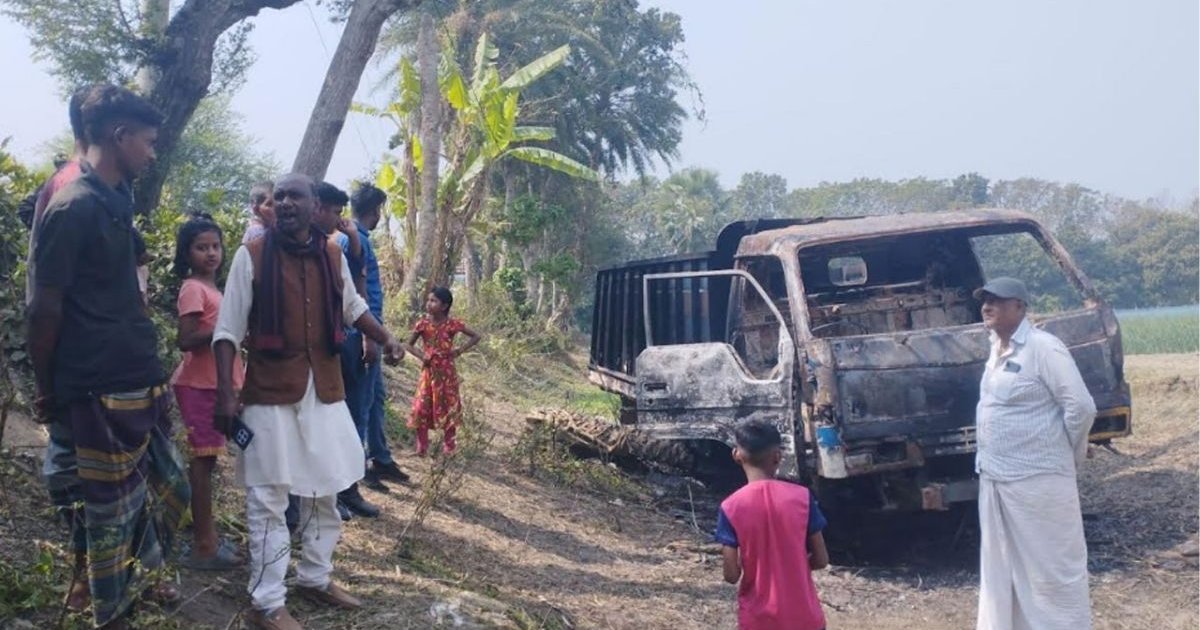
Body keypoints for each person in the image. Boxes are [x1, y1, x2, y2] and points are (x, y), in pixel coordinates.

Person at [213, 172, 406, 630]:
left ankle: (315, 577)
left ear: (314, 204)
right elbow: (227, 329)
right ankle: (267, 602)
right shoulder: (252, 254)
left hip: (324, 387)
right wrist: (226, 392)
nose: (285, 204)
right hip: (269, 391)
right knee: (268, 499)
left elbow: (353, 306)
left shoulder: (331, 252)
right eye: (279, 197)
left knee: (328, 486)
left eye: (294, 197)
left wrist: (387, 338)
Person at [28, 84, 190, 629]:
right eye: (147, 142)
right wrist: (49, 387)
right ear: (119, 137)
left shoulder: (114, 198)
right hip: (97, 386)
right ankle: (110, 613)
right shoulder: (72, 205)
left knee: (169, 491)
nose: (151, 152)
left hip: (136, 377)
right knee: (106, 517)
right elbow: (43, 307)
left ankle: (135, 582)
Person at [973, 277, 1097, 630]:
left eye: (997, 300)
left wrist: (1066, 453)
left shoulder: (1044, 348)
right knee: (1005, 569)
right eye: (985, 300)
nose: (987, 307)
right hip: (997, 478)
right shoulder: (995, 348)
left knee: (1052, 573)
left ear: (1020, 308)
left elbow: (1080, 407)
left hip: (1039, 481)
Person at [171, 213, 245, 571]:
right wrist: (224, 328)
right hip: (199, 386)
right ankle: (203, 544)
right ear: (187, 253)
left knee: (209, 462)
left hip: (217, 386)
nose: (211, 253)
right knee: (202, 462)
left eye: (215, 246)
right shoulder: (193, 289)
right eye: (202, 247)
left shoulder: (217, 290)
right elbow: (185, 339)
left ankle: (208, 536)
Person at [714, 421, 829, 630]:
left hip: (759, 621)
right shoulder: (802, 497)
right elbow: (821, 560)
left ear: (736, 455)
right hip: (805, 619)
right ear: (777, 457)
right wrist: (794, 567)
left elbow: (731, 575)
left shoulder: (730, 507)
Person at [312, 181, 381, 520]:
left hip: (352, 336)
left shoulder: (339, 245)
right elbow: (353, 297)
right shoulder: (331, 245)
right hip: (343, 342)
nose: (339, 219)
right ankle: (338, 491)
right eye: (335, 212)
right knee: (346, 417)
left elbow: (356, 290)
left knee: (357, 413)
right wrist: (373, 338)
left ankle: (346, 489)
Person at [344, 184, 409, 489]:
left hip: (371, 332)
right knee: (360, 404)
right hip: (363, 335)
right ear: (375, 211)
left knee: (375, 399)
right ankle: (354, 477)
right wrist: (371, 338)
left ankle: (379, 458)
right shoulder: (354, 241)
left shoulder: (356, 238)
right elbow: (357, 296)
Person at [404, 286, 481, 455]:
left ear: (444, 306)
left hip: (447, 373)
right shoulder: (422, 324)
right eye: (428, 300)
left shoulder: (453, 324)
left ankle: (449, 448)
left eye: (433, 301)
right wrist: (421, 355)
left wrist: (458, 351)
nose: (429, 304)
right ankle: (421, 447)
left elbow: (476, 336)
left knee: (449, 406)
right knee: (421, 407)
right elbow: (408, 345)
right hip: (428, 372)